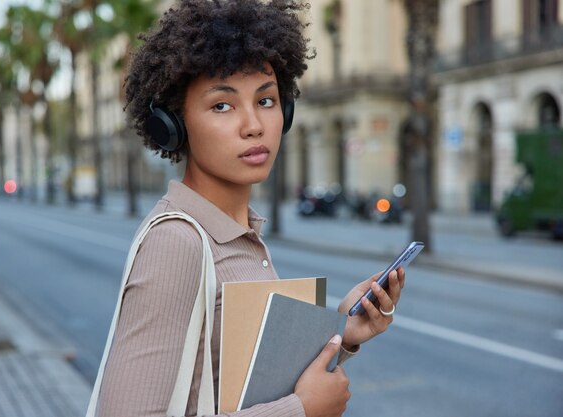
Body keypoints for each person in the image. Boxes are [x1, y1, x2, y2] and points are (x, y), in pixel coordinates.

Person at [96, 1, 406, 416]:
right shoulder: (177, 243)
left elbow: (246, 383)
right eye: (222, 105)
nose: (253, 125)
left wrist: (342, 332)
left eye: (266, 100)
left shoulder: (241, 233)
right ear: (173, 125)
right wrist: (301, 410)